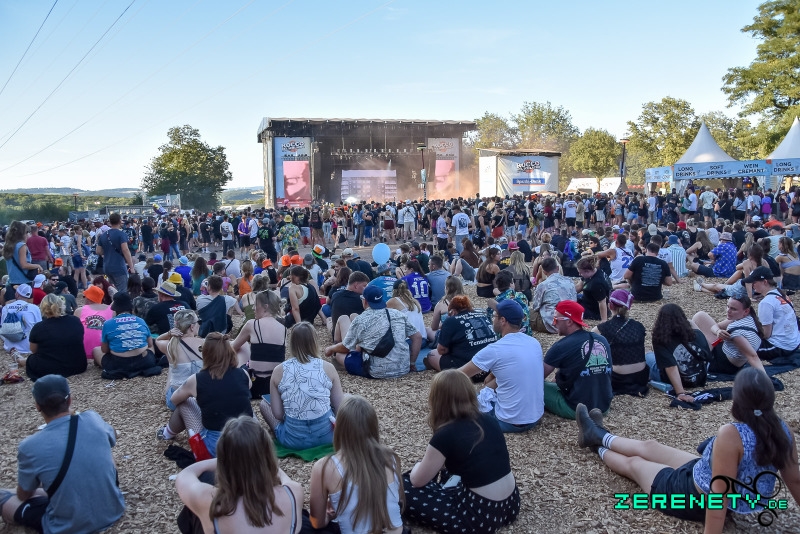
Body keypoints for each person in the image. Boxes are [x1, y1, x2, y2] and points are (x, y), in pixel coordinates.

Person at [574, 368, 800, 529]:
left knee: (635, 465)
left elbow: (718, 498)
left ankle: (596, 446)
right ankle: (598, 434)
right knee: (651, 446)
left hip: (691, 498)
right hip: (702, 475)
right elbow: (795, 481)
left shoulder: (731, 435)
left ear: (737, 400)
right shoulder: (782, 430)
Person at [0, 375, 125, 533]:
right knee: (103, 445)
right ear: (70, 400)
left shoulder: (29, 446)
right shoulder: (93, 419)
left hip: (67, 526)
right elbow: (113, 435)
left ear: (37, 406)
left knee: (3, 496)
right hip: (114, 510)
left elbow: (24, 495)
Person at [404, 370, 520, 533]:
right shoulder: (488, 419)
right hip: (511, 505)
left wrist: (417, 466)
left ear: (436, 399)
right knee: (448, 472)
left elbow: (417, 481)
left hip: (478, 517)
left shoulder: (446, 434)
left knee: (402, 486)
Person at [175, 416, 303, 534]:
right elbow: (280, 474)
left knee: (192, 511)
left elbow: (185, 475)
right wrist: (262, 462)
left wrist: (225, 461)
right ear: (268, 454)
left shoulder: (207, 501)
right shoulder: (294, 493)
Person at [307, 395, 404, 532]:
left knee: (302, 520)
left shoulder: (325, 467)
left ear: (337, 428)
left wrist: (329, 516)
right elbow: (397, 500)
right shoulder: (391, 457)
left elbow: (317, 522)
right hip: (396, 530)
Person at [459, 300, 544, 432]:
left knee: (463, 402)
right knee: (492, 385)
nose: (492, 319)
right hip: (535, 418)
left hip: (509, 421)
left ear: (503, 320)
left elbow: (457, 375)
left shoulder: (495, 349)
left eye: (494, 316)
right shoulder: (534, 343)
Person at [165, 333, 253, 456]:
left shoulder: (196, 379)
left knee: (186, 402)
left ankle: (167, 433)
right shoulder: (243, 373)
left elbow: (173, 400)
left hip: (215, 449)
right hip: (249, 443)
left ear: (206, 354)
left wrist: (197, 397)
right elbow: (245, 388)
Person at [260, 322, 344, 449]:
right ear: (315, 342)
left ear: (292, 343)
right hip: (328, 437)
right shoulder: (328, 368)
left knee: (264, 404)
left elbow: (278, 414)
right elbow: (340, 408)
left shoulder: (278, 371)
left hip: (292, 439)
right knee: (346, 397)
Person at [324, 285, 422, 379]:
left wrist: (331, 348)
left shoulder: (361, 319)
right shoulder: (398, 314)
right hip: (403, 369)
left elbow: (346, 347)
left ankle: (341, 363)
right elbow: (417, 337)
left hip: (375, 371)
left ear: (365, 301)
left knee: (339, 354)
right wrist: (412, 363)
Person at [542, 300, 613, 419]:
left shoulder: (561, 346)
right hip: (604, 407)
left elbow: (537, 378)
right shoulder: (602, 340)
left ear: (569, 321)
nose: (553, 324)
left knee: (533, 386)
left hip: (576, 409)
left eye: (555, 319)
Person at [645, 303, 712, 400]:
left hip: (672, 380)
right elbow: (707, 355)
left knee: (646, 354)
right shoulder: (696, 334)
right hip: (698, 379)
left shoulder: (662, 340)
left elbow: (671, 367)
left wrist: (680, 393)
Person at [15, 294, 86, 381]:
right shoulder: (75, 320)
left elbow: (34, 350)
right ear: (61, 305)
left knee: (31, 359)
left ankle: (20, 360)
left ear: (43, 308)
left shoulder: (39, 327)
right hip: (77, 365)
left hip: (50, 368)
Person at [231, 291, 287, 399]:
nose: (253, 308)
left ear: (265, 307)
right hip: (275, 387)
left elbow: (233, 347)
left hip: (254, 386)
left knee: (243, 346)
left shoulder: (252, 324)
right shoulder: (283, 328)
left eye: (255, 305)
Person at [692, 295, 766, 375]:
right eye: (728, 306)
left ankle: (692, 357)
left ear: (746, 311)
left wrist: (765, 379)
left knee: (689, 324)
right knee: (700, 316)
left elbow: (753, 357)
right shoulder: (747, 318)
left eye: (733, 309)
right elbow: (716, 326)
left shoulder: (737, 332)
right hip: (721, 350)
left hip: (719, 362)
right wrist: (718, 331)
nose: (728, 311)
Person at [593, 290, 648, 396]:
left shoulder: (600, 329)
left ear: (610, 306)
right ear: (628, 307)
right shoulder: (639, 326)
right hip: (641, 377)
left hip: (617, 379)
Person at [97, 293, 161, 379]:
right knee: (150, 345)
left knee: (96, 350)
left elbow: (104, 350)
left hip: (118, 364)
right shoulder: (140, 321)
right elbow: (150, 344)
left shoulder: (108, 324)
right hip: (144, 361)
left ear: (115, 308)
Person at [425, 295, 496, 371]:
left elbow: (441, 350)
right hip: (491, 365)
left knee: (432, 354)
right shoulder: (482, 315)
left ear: (453, 311)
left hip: (466, 368)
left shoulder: (451, 320)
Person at [746, 267, 800, 360]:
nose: (752, 285)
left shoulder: (766, 302)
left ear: (765, 282)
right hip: (794, 342)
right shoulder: (781, 294)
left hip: (780, 347)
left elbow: (766, 334)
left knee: (741, 345)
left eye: (754, 282)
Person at [155, 309, 204, 411]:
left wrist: (169, 333)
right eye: (198, 322)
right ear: (192, 327)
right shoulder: (203, 343)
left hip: (175, 400)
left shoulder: (169, 345)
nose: (199, 325)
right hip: (200, 398)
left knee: (172, 365)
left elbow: (158, 340)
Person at [530, 257, 577, 333]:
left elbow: (536, 307)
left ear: (544, 272)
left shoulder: (543, 285)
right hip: (571, 321)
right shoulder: (570, 281)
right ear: (557, 268)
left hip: (552, 324)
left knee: (526, 313)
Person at [3, 221, 43, 302]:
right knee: (27, 306)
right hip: (24, 281)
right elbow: (24, 265)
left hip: (12, 281)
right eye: (26, 232)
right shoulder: (21, 246)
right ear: (22, 233)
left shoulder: (8, 246)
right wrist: (37, 266)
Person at [95, 213, 135, 293]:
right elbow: (125, 250)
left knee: (112, 290)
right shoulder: (121, 234)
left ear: (110, 222)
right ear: (120, 221)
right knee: (122, 291)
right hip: (118, 266)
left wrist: (108, 251)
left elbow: (98, 251)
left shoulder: (104, 235)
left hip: (107, 266)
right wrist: (131, 267)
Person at [1, 284, 42, 360]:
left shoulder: (5, 308)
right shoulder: (35, 308)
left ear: (17, 294)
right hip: (28, 348)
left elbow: (2, 327)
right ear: (29, 296)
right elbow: (39, 328)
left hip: (9, 348)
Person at [74, 284, 114, 360]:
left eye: (84, 297)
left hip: (83, 352)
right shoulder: (111, 310)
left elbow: (74, 332)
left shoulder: (80, 311)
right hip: (105, 351)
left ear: (88, 298)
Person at [575, 255, 611, 322]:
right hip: (587, 300)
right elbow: (579, 286)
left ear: (587, 271)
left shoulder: (597, 283)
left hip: (594, 311)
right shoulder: (594, 272)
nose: (579, 274)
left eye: (580, 272)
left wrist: (604, 320)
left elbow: (602, 302)